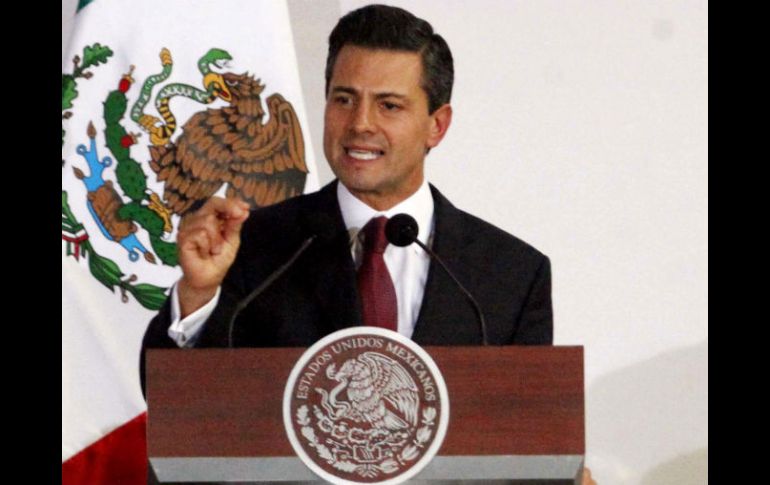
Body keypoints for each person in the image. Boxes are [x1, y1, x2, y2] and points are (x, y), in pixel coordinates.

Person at [142, 3, 551, 357]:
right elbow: (171, 399)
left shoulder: (510, 275)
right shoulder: (252, 248)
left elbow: (532, 416)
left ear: (437, 126)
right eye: (344, 99)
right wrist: (197, 295)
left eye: (389, 105)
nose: (360, 124)